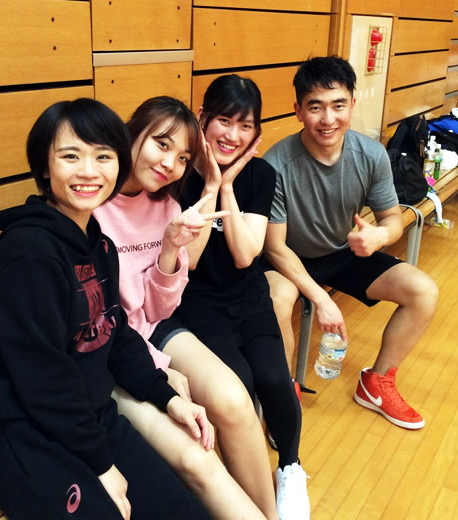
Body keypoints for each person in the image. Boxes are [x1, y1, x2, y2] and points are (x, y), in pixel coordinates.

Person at [0, 98, 213, 520]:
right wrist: (102, 465)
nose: (89, 171)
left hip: (90, 418)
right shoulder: (28, 254)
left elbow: (116, 332)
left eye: (103, 156)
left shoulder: (98, 244)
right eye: (71, 156)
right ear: (45, 167)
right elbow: (43, 379)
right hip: (27, 434)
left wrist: (168, 398)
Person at [93, 96, 278, 519]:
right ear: (131, 132)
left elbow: (160, 308)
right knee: (198, 453)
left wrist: (168, 251)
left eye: (182, 157)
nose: (169, 164)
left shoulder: (168, 207)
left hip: (153, 328)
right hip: (116, 350)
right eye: (161, 144)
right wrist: (158, 370)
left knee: (235, 400)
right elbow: (108, 322)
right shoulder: (92, 207)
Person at [157, 75, 310, 519]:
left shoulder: (261, 175)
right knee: (239, 382)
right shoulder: (179, 175)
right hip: (197, 304)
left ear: (256, 133)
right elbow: (191, 262)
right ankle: (244, 480)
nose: (233, 135)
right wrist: (209, 185)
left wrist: (228, 186)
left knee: (275, 379)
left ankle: (290, 467)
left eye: (246, 126)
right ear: (202, 119)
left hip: (248, 297)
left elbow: (246, 256)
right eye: (224, 120)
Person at [262, 56, 439, 431]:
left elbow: (393, 219)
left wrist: (379, 235)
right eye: (315, 107)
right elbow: (275, 247)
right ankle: (282, 393)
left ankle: (376, 383)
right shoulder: (276, 163)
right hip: (289, 259)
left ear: (353, 104)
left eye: (338, 105)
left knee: (423, 291)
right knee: (277, 298)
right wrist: (321, 299)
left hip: (343, 254)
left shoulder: (371, 155)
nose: (328, 119)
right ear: (298, 110)